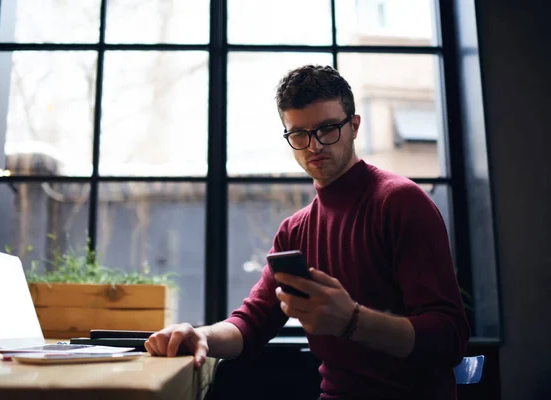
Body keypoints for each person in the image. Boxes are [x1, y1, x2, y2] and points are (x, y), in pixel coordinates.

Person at [145, 65, 470, 399]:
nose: (313, 146)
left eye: (327, 129)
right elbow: (251, 322)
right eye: (299, 133)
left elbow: (450, 338)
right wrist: (201, 336)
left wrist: (353, 321)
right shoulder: (295, 230)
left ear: (354, 126)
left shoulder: (399, 202)